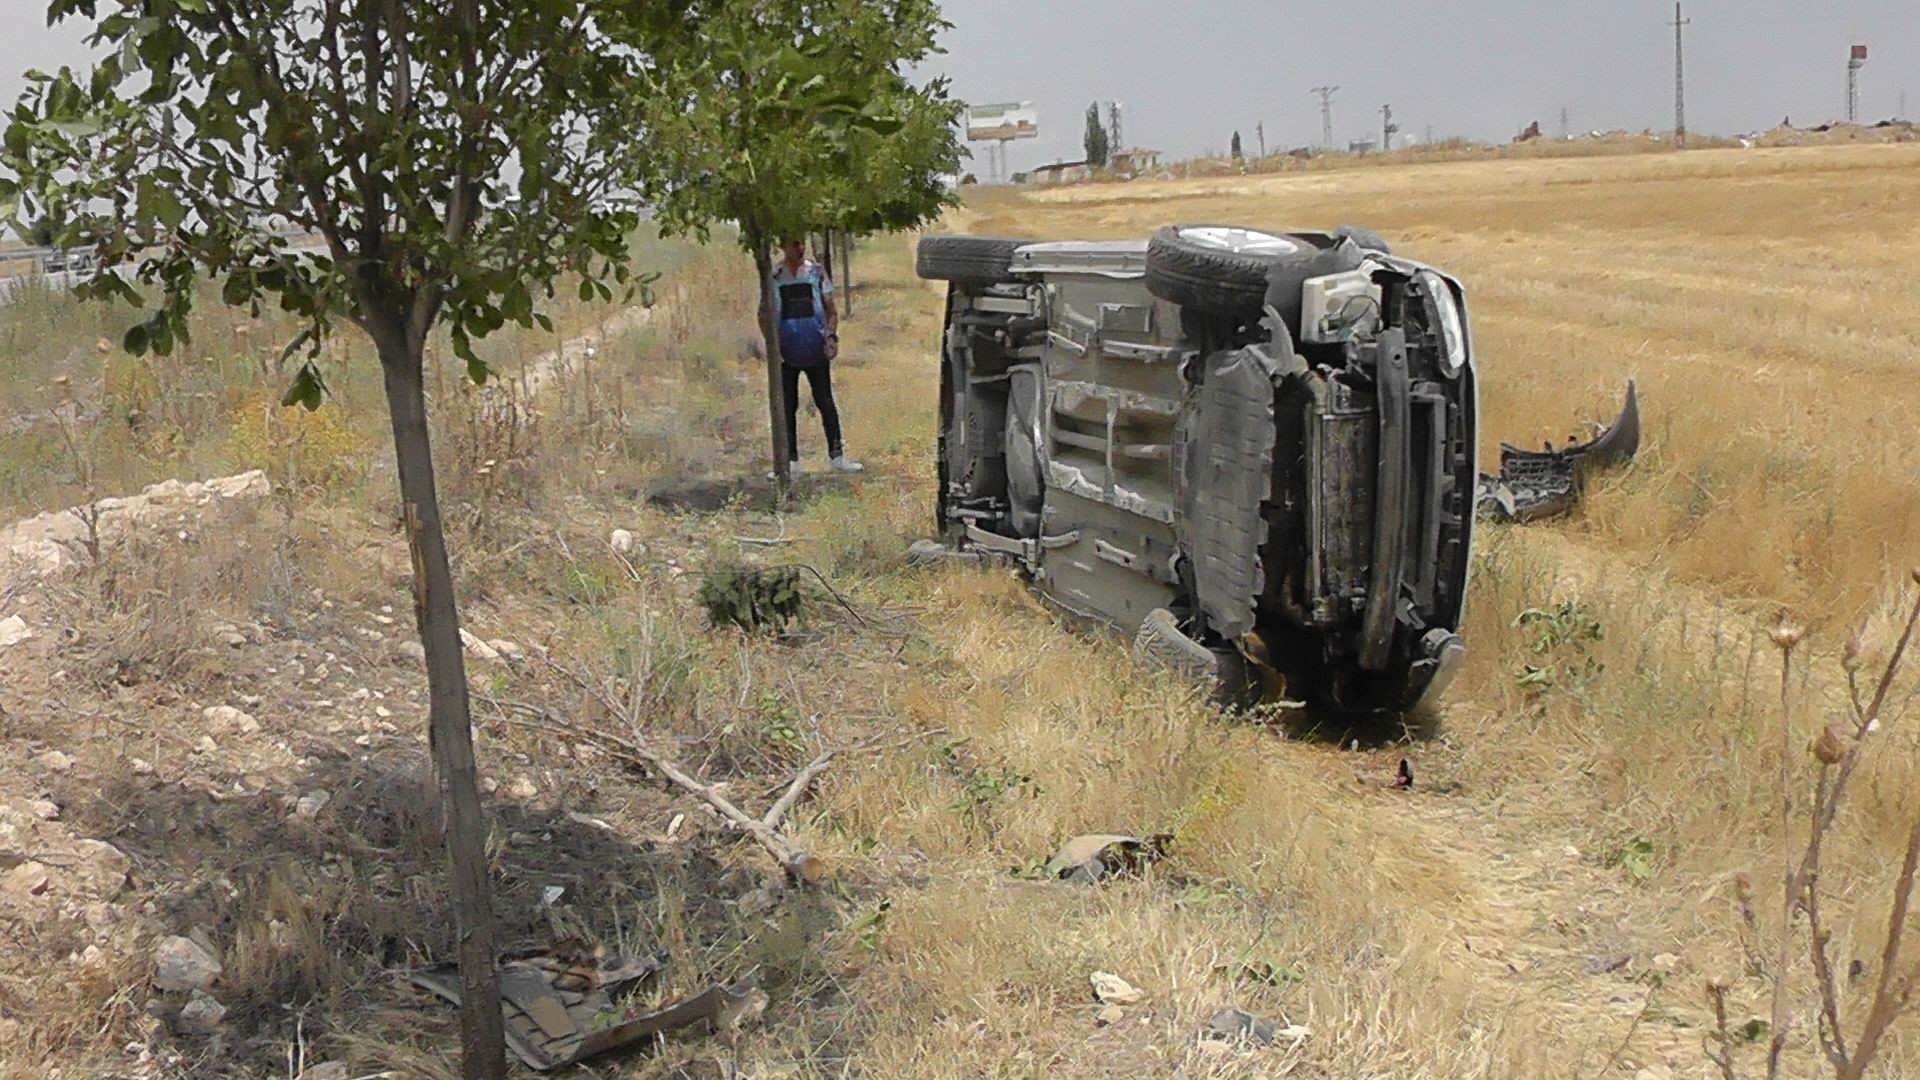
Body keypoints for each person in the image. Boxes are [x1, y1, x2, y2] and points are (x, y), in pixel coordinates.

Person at [772, 237, 862, 474]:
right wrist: (772, 347)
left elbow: (831, 310)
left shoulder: (817, 273)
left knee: (825, 402)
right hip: (785, 352)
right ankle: (790, 462)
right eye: (794, 243)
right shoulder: (774, 276)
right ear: (783, 246)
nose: (799, 248)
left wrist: (831, 337)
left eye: (801, 242)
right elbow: (765, 312)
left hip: (816, 349)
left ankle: (837, 457)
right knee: (787, 406)